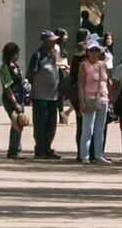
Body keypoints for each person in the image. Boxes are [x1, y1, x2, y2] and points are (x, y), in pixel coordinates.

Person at [71, 35, 113, 163]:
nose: (94, 53)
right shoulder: (84, 66)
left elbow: (107, 82)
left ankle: (99, 154)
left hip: (103, 99)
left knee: (100, 130)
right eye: (91, 50)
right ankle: (85, 156)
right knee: (87, 129)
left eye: (96, 50)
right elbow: (80, 85)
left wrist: (111, 100)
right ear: (87, 52)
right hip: (89, 98)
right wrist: (81, 101)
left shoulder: (102, 65)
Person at [29, 34, 66, 160]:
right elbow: (30, 74)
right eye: (52, 41)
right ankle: (40, 150)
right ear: (45, 41)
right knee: (40, 124)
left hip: (53, 96)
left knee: (51, 125)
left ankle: (48, 148)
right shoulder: (37, 55)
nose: (54, 43)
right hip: (40, 96)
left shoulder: (52, 54)